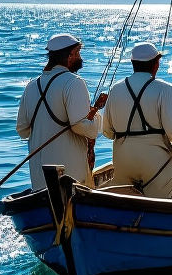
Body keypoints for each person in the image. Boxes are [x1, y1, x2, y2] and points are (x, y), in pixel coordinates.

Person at [16, 33, 106, 190]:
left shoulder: (31, 86)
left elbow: (22, 130)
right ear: (70, 55)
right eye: (78, 52)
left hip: (40, 178)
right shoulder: (74, 82)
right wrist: (98, 120)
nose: (80, 57)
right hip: (69, 175)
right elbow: (80, 126)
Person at [102, 42, 172, 198]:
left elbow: (107, 132)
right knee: (165, 208)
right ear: (156, 64)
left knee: (125, 206)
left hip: (123, 160)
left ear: (133, 63)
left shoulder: (116, 89)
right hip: (156, 163)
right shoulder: (165, 89)